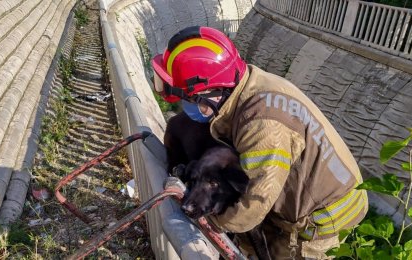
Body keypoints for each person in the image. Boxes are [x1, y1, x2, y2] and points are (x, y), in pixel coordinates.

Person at [152, 26, 368, 259]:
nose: (187, 107)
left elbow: (255, 203)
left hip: (322, 217)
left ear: (213, 91)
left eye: (191, 99)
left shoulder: (261, 124)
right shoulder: (248, 85)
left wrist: (210, 221)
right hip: (301, 198)